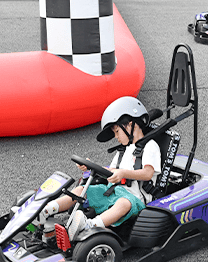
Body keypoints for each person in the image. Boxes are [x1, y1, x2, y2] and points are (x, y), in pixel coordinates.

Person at [40, 97, 161, 239]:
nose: (116, 137)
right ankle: (45, 210)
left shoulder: (150, 146)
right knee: (80, 190)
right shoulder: (123, 150)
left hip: (135, 198)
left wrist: (123, 173)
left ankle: (89, 225)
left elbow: (148, 173)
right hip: (112, 191)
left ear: (129, 126)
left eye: (117, 132)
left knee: (123, 203)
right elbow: (111, 172)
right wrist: (92, 167)